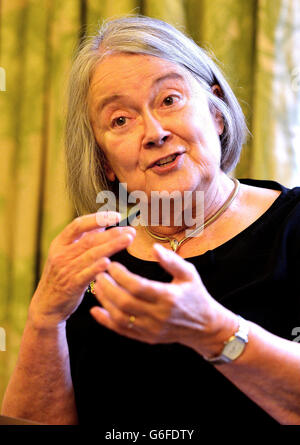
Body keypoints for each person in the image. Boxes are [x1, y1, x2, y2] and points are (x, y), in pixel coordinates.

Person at [2, 15, 300, 428]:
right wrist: (44, 321)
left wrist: (213, 331)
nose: (154, 132)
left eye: (170, 99)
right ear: (105, 161)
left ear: (215, 113)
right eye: (120, 120)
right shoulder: (93, 260)